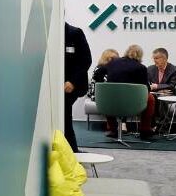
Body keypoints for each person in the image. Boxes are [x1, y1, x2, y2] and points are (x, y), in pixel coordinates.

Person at [93, 44, 156, 139]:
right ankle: (145, 130)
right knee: (150, 98)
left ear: (126, 52)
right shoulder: (141, 67)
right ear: (140, 55)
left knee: (107, 95)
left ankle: (112, 129)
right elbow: (145, 88)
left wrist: (105, 87)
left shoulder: (112, 63)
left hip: (112, 101)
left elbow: (97, 74)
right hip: (131, 104)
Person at [64, 22, 92, 152]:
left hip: (72, 85)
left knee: (64, 116)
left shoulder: (74, 33)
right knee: (63, 117)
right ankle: (71, 151)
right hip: (54, 84)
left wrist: (72, 82)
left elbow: (86, 60)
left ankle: (73, 151)